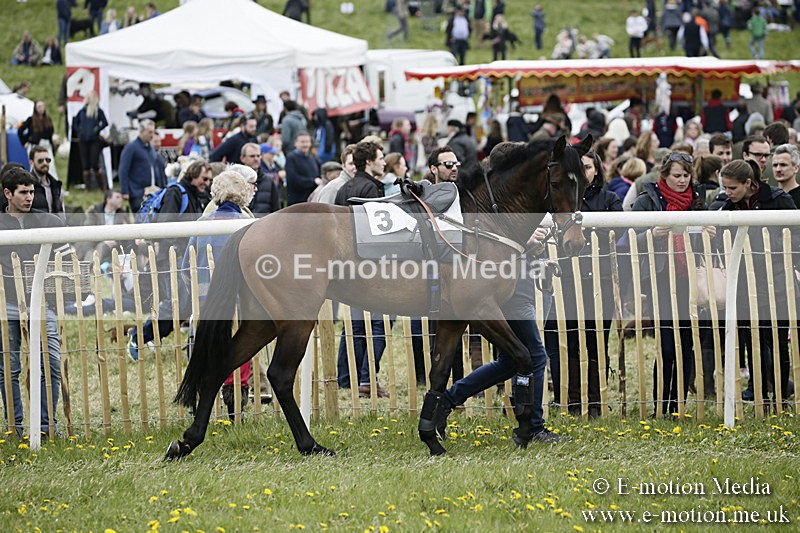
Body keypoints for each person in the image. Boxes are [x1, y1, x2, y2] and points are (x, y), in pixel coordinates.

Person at [710, 159, 798, 404]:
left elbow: (795, 235)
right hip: (744, 281)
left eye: (732, 188)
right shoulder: (727, 207)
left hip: (777, 279)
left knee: (778, 340)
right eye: (725, 188)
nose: (728, 193)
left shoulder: (778, 200)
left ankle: (780, 390)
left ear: (748, 183)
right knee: (751, 338)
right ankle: (757, 389)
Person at [632, 151, 713, 417]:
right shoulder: (647, 200)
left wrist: (709, 233)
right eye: (677, 175)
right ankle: (661, 405)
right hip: (661, 279)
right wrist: (651, 234)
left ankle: (678, 405)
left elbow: (710, 240)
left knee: (687, 344)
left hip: (692, 278)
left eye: (686, 175)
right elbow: (628, 237)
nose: (682, 181)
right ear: (664, 175)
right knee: (667, 345)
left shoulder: (699, 200)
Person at [545, 150, 621, 418]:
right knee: (567, 343)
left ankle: (597, 401)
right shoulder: (561, 199)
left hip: (598, 280)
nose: (584, 173)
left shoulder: (609, 199)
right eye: (579, 168)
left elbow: (618, 232)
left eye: (588, 167)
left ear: (597, 170)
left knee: (597, 340)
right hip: (564, 278)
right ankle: (570, 400)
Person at [183, 170, 255, 420]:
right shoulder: (247, 225)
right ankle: (236, 402)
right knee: (240, 347)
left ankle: (196, 396)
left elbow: (185, 266)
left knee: (202, 343)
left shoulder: (202, 224)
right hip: (238, 299)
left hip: (205, 298)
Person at [0, 167, 65, 438]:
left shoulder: (48, 221)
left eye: (32, 191)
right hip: (7, 305)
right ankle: (15, 427)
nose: (29, 197)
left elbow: (67, 258)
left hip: (42, 304)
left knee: (50, 364)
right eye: (23, 192)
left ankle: (47, 426)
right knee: (8, 367)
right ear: (8, 193)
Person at [127, 160, 211, 361]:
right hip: (171, 257)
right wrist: (178, 248)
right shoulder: (177, 192)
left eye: (209, 179)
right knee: (177, 304)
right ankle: (139, 336)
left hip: (188, 258)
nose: (206, 183)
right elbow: (165, 225)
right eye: (203, 178)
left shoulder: (198, 197)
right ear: (192, 174)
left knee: (187, 305)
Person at [334, 141, 391, 397]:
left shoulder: (344, 187)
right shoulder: (371, 188)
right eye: (380, 158)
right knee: (380, 322)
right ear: (368, 161)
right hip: (368, 262)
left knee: (355, 325)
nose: (384, 162)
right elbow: (375, 231)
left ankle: (347, 378)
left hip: (345, 261)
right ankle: (367, 379)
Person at [71, 91, 109, 191]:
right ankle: (88, 189)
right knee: (85, 165)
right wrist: (80, 131)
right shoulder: (82, 111)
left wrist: (97, 129)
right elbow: (75, 123)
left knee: (94, 163)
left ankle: (102, 188)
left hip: (94, 140)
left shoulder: (98, 111)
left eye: (89, 97)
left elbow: (105, 122)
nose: (87, 98)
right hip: (83, 140)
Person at [118, 119, 159, 212]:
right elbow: (123, 170)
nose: (152, 135)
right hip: (137, 192)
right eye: (149, 132)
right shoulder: (131, 147)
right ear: (141, 131)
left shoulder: (150, 149)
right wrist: (125, 191)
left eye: (153, 132)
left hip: (152, 191)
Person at [80, 189, 130, 263]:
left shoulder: (122, 214)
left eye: (121, 197)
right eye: (117, 197)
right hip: (95, 242)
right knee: (93, 248)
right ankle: (89, 269)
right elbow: (89, 230)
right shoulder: (94, 212)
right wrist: (104, 240)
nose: (121, 199)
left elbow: (129, 231)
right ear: (108, 199)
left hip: (116, 244)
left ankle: (92, 269)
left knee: (102, 246)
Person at [241, 142, 280, 215]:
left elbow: (276, 208)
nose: (256, 159)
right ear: (242, 158)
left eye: (258, 156)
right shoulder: (236, 180)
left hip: (264, 224)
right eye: (252, 156)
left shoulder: (269, 180)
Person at [26, 145, 65, 218]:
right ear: (31, 162)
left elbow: (60, 211)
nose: (45, 163)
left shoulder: (56, 184)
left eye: (48, 160)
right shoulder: (27, 185)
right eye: (40, 161)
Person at [284, 131, 319, 205]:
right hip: (297, 202)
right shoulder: (291, 158)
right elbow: (293, 179)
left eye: (307, 142)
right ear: (295, 143)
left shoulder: (312, 158)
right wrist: (313, 182)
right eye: (302, 142)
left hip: (311, 201)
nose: (305, 144)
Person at [772, 143, 800, 208]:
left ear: (796, 168)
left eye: (783, 165)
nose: (778, 169)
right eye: (775, 165)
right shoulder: (769, 196)